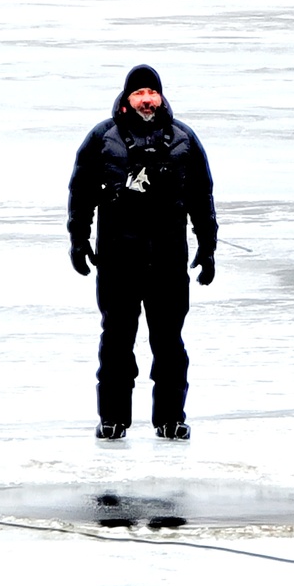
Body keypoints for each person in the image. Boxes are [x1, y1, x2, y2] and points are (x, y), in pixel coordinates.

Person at [67, 65, 218, 441]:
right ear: (127, 98)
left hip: (168, 262)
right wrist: (78, 239)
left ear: (161, 97)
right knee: (117, 341)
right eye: (139, 93)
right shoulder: (103, 138)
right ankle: (113, 418)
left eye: (153, 92)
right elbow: (81, 192)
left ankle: (170, 419)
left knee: (169, 343)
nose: (147, 99)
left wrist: (208, 244)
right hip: (118, 262)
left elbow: (202, 195)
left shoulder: (184, 138)